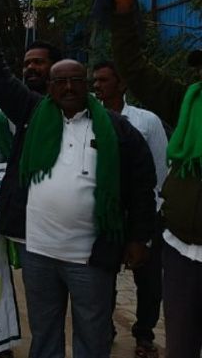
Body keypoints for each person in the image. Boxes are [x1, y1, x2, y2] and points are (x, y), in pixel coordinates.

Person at [0, 42, 156, 356]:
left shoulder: (116, 128)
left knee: (92, 331)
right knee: (45, 330)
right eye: (60, 81)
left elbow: (142, 185)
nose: (68, 87)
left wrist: (139, 238)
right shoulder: (33, 117)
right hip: (38, 251)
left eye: (75, 80)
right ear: (49, 87)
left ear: (86, 85)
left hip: (90, 254)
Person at [110, 0, 202, 358]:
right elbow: (134, 68)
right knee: (180, 346)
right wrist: (125, 10)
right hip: (182, 251)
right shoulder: (187, 104)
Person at [92, 60, 168, 355]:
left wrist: (154, 217)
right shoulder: (90, 120)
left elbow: (160, 170)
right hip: (107, 214)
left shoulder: (146, 120)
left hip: (143, 212)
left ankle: (144, 334)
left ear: (121, 84)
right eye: (95, 81)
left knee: (147, 280)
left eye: (104, 80)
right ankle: (105, 328)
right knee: (103, 277)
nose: (97, 86)